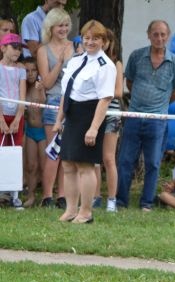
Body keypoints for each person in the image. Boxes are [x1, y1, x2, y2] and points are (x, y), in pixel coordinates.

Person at [117, 20, 175, 211]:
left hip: (158, 120)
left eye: (163, 34)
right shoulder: (136, 56)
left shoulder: (174, 62)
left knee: (153, 163)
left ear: (168, 36)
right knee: (125, 160)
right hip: (134, 116)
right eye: (155, 34)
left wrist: (160, 103)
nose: (159, 38)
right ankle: (120, 201)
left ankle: (146, 203)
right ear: (148, 35)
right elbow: (130, 83)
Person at [53, 20, 115, 224]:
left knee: (85, 165)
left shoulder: (106, 66)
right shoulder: (76, 60)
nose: (90, 42)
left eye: (95, 38)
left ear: (104, 41)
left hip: (90, 114)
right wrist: (58, 119)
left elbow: (105, 99)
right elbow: (66, 92)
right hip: (72, 114)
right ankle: (71, 210)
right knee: (68, 164)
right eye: (87, 38)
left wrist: (94, 128)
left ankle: (86, 211)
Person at [35, 7, 73, 209]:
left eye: (67, 25)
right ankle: (47, 196)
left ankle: (62, 195)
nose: (64, 29)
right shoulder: (43, 50)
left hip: (72, 102)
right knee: (54, 151)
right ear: (51, 27)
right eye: (60, 25)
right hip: (52, 101)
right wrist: (60, 61)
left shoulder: (76, 47)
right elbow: (47, 82)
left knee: (66, 152)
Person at [90, 31, 122, 213]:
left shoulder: (116, 64)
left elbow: (117, 91)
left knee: (108, 158)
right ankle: (95, 197)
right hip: (93, 112)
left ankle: (112, 199)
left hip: (111, 113)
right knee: (93, 159)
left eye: (106, 40)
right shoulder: (90, 62)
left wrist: (100, 91)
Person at [0, 32, 25, 209]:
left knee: (16, 152)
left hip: (16, 115)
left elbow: (22, 97)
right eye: (14, 47)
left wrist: (18, 117)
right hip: (1, 114)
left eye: (19, 48)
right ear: (3, 48)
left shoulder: (21, 70)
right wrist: (1, 119)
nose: (17, 51)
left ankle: (14, 194)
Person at [22, 56, 46, 207]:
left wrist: (42, 89)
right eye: (27, 71)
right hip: (30, 130)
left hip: (43, 130)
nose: (30, 74)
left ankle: (45, 195)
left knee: (44, 166)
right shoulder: (22, 87)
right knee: (31, 165)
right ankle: (30, 195)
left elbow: (45, 103)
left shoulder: (42, 85)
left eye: (33, 70)